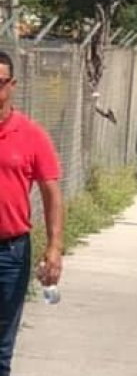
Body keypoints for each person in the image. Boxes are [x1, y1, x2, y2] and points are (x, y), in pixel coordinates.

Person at [0, 50, 64, 375]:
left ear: (12, 85)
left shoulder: (31, 134)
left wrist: (54, 247)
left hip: (10, 252)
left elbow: (51, 192)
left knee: (1, 347)